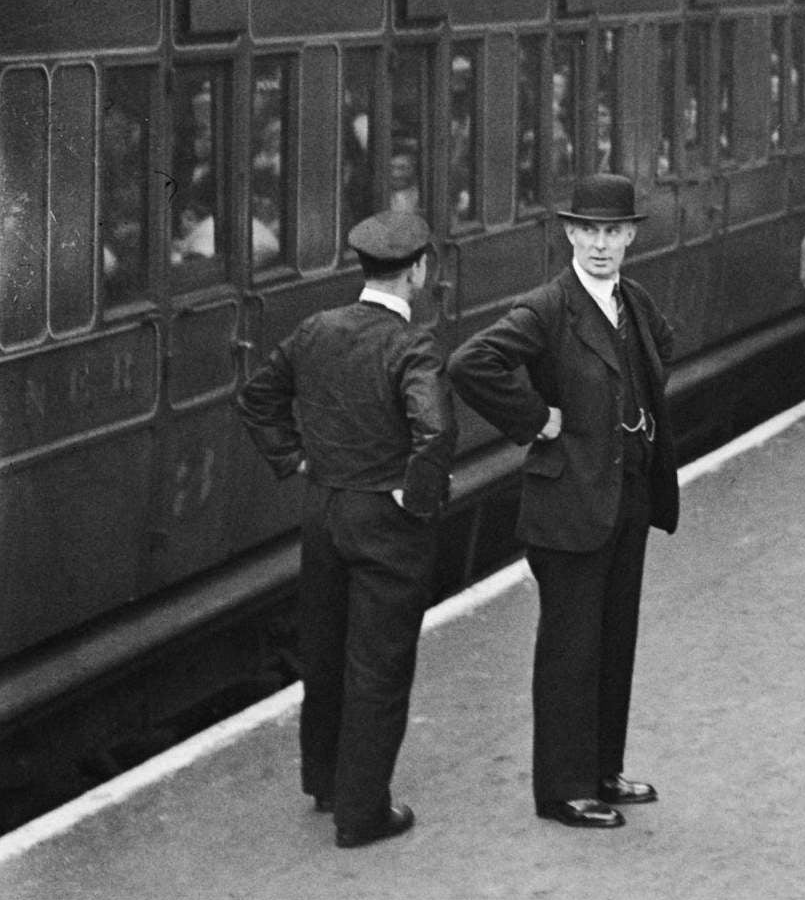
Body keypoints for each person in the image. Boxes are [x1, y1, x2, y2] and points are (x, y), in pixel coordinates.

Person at [449, 174, 678, 830]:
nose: (601, 244)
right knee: (570, 651)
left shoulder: (632, 301)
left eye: (613, 231)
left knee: (613, 641)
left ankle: (604, 770)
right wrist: (534, 418)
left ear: (631, 234)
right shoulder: (550, 305)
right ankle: (564, 789)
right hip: (569, 502)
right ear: (571, 234)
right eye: (589, 231)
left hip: (625, 497)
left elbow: (662, 347)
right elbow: (472, 362)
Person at [233, 211, 454, 849]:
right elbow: (435, 430)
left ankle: (326, 781)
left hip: (324, 511)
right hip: (384, 521)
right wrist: (415, 497)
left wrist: (297, 458)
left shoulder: (315, 330)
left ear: (363, 268)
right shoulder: (412, 346)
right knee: (379, 664)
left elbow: (257, 400)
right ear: (417, 271)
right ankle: (363, 814)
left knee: (326, 651)